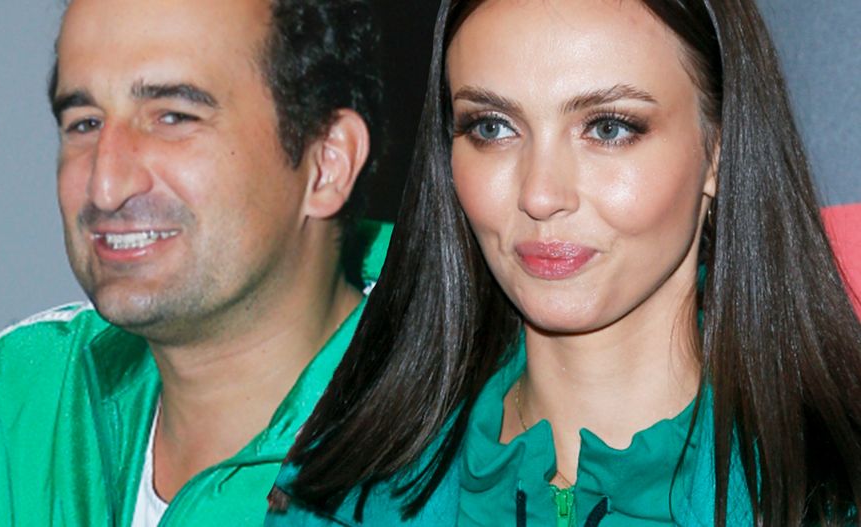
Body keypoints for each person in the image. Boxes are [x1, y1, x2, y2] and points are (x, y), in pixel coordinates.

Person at [267, 0, 861, 526]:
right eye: (493, 127)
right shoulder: (337, 498)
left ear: (717, 153)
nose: (540, 194)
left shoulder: (835, 497)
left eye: (608, 128)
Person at [0, 0, 386, 525]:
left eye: (172, 117)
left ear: (326, 164)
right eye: (84, 123)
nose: (105, 186)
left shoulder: (442, 465)